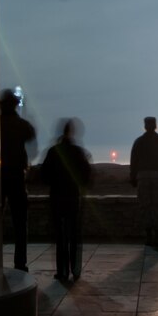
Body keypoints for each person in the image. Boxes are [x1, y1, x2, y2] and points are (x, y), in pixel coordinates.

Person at [39, 118, 92, 282]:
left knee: (60, 235)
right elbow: (86, 174)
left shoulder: (54, 151)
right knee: (74, 233)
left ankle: (62, 271)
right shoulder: (78, 152)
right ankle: (75, 269)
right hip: (73, 196)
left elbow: (43, 175)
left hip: (57, 196)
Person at [0, 89, 36, 272]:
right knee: (20, 223)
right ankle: (20, 263)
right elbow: (31, 134)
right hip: (16, 177)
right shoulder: (20, 125)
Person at [129, 116, 158, 247]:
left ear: (145, 126)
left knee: (145, 206)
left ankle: (149, 235)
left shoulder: (138, 142)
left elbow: (133, 162)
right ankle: (157, 235)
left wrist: (133, 178)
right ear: (155, 125)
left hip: (143, 177)